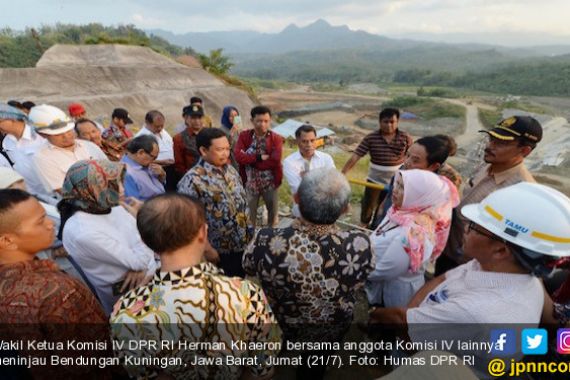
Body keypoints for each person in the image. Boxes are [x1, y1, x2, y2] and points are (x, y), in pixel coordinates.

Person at [369, 182, 570, 377]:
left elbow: (407, 335)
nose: (466, 228)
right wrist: (414, 316)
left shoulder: (478, 312)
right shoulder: (504, 269)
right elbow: (443, 279)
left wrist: (381, 315)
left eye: (475, 226)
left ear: (500, 249)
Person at [111, 193, 281, 380]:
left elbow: (143, 374)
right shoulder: (245, 294)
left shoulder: (126, 312)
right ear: (203, 233)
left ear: (145, 241)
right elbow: (263, 368)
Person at [243, 168, 373, 379]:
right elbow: (365, 276)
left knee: (280, 347)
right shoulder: (360, 244)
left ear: (296, 199)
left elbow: (248, 267)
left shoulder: (265, 239)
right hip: (331, 325)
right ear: (346, 208)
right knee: (314, 366)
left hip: (282, 318)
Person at [0, 189, 110, 379]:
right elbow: (93, 360)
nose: (51, 224)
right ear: (8, 240)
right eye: (40, 221)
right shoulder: (57, 292)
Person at [437, 116, 543, 275]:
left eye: (500, 143)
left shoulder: (522, 190)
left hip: (472, 267)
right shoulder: (487, 165)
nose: (489, 146)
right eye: (491, 139)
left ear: (524, 150)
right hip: (448, 251)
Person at [58, 160, 158, 314]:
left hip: (148, 276)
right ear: (92, 190)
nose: (122, 189)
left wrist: (145, 265)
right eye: (113, 185)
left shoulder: (108, 206)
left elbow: (141, 256)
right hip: (130, 297)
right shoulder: (84, 232)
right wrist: (142, 224)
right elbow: (140, 260)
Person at [366, 170, 458, 308]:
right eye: (397, 184)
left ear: (421, 195)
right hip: (383, 286)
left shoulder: (414, 234)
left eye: (403, 187)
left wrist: (357, 272)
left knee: (388, 323)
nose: (395, 190)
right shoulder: (401, 212)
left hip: (395, 295)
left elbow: (386, 270)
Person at [178, 128, 251, 277]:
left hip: (242, 243)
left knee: (241, 284)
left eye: (227, 148)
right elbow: (188, 221)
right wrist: (207, 249)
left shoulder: (230, 170)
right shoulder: (192, 180)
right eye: (220, 149)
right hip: (218, 251)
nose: (225, 153)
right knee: (224, 291)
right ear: (204, 150)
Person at [370, 135, 461, 229]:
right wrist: (382, 207)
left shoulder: (436, 192)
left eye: (415, 160)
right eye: (407, 155)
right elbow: (390, 192)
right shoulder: (403, 170)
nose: (407, 162)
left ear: (434, 166)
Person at [342, 108, 413, 226]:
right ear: (380, 122)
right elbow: (356, 156)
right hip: (375, 180)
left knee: (385, 205)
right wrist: (343, 173)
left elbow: (411, 156)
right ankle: (363, 225)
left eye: (392, 122)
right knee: (368, 204)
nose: (389, 125)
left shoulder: (405, 137)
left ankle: (377, 226)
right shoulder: (371, 138)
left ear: (397, 122)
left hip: (396, 180)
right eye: (386, 122)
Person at [31, 105, 107, 194]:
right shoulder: (42, 158)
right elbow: (64, 191)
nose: (66, 136)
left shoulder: (88, 145)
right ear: (42, 134)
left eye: (68, 130)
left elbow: (109, 171)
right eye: (58, 134)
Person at [235, 105, 283, 228]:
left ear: (270, 120)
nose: (263, 124)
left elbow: (275, 160)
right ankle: (250, 240)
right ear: (252, 121)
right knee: (249, 216)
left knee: (272, 214)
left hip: (270, 183)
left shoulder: (276, 138)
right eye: (259, 121)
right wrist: (259, 158)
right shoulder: (244, 136)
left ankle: (271, 238)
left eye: (266, 121)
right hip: (250, 184)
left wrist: (250, 161)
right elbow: (238, 157)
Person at [283, 124, 336, 217]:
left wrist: (308, 178)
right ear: (297, 141)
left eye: (312, 140)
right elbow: (298, 190)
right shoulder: (289, 162)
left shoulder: (326, 158)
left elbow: (333, 183)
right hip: (303, 212)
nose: (309, 145)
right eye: (304, 141)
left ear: (316, 139)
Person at [0, 103, 47, 196]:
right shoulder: (7, 141)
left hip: (54, 191)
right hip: (32, 194)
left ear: (11, 119)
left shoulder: (40, 136)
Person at [135, 110, 176, 190]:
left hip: (171, 170)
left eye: (162, 126)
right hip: (154, 172)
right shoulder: (141, 137)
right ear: (147, 123)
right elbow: (139, 160)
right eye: (157, 126)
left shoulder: (163, 132)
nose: (160, 128)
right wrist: (162, 162)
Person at [121, 135, 166, 201]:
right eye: (152, 157)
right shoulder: (126, 173)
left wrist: (162, 176)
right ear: (140, 153)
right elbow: (132, 204)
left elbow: (159, 187)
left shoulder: (143, 164)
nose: (153, 161)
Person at [173, 104, 205, 179]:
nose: (197, 121)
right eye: (193, 118)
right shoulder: (179, 138)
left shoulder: (209, 134)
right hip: (191, 178)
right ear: (186, 119)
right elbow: (179, 165)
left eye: (199, 118)